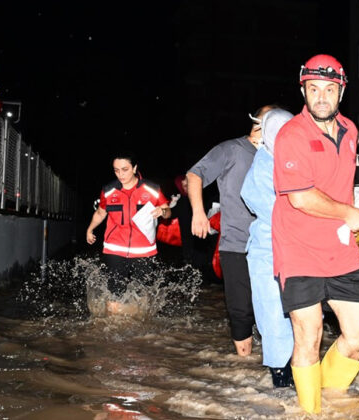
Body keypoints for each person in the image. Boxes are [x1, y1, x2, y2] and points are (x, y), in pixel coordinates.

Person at [272, 54, 359, 414]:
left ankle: (328, 399)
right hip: (298, 249)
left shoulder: (350, 131)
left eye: (329, 89)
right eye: (313, 89)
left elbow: (341, 185)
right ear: (303, 89)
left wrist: (358, 213)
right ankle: (310, 411)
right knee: (309, 334)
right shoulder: (291, 134)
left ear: (341, 92)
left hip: (341, 248)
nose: (320, 96)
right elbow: (299, 197)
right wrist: (349, 212)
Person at [187, 105, 274, 356]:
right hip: (236, 243)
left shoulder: (278, 153)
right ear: (259, 122)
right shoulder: (231, 150)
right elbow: (194, 175)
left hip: (271, 244)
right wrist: (199, 212)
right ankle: (243, 368)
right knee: (240, 311)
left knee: (274, 310)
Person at [240, 108, 296, 388]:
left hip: (297, 247)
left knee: (299, 310)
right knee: (273, 311)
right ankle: (280, 372)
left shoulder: (295, 160)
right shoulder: (262, 165)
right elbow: (261, 203)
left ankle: (297, 370)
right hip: (267, 247)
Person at [85, 152, 171, 316]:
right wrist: (90, 229)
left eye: (124, 170)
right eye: (116, 170)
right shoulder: (108, 191)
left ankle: (139, 330)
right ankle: (113, 328)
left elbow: (168, 212)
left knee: (142, 294)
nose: (120, 175)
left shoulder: (152, 189)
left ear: (135, 168)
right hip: (114, 248)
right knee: (114, 293)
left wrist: (163, 210)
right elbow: (100, 213)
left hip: (144, 250)